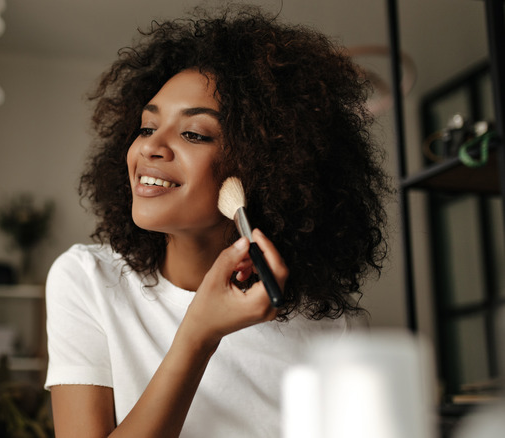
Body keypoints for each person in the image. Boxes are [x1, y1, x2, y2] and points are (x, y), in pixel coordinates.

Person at [44, 4, 391, 437]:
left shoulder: (327, 329)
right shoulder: (89, 280)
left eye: (194, 134)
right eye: (148, 127)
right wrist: (197, 336)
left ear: (265, 167)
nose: (151, 147)